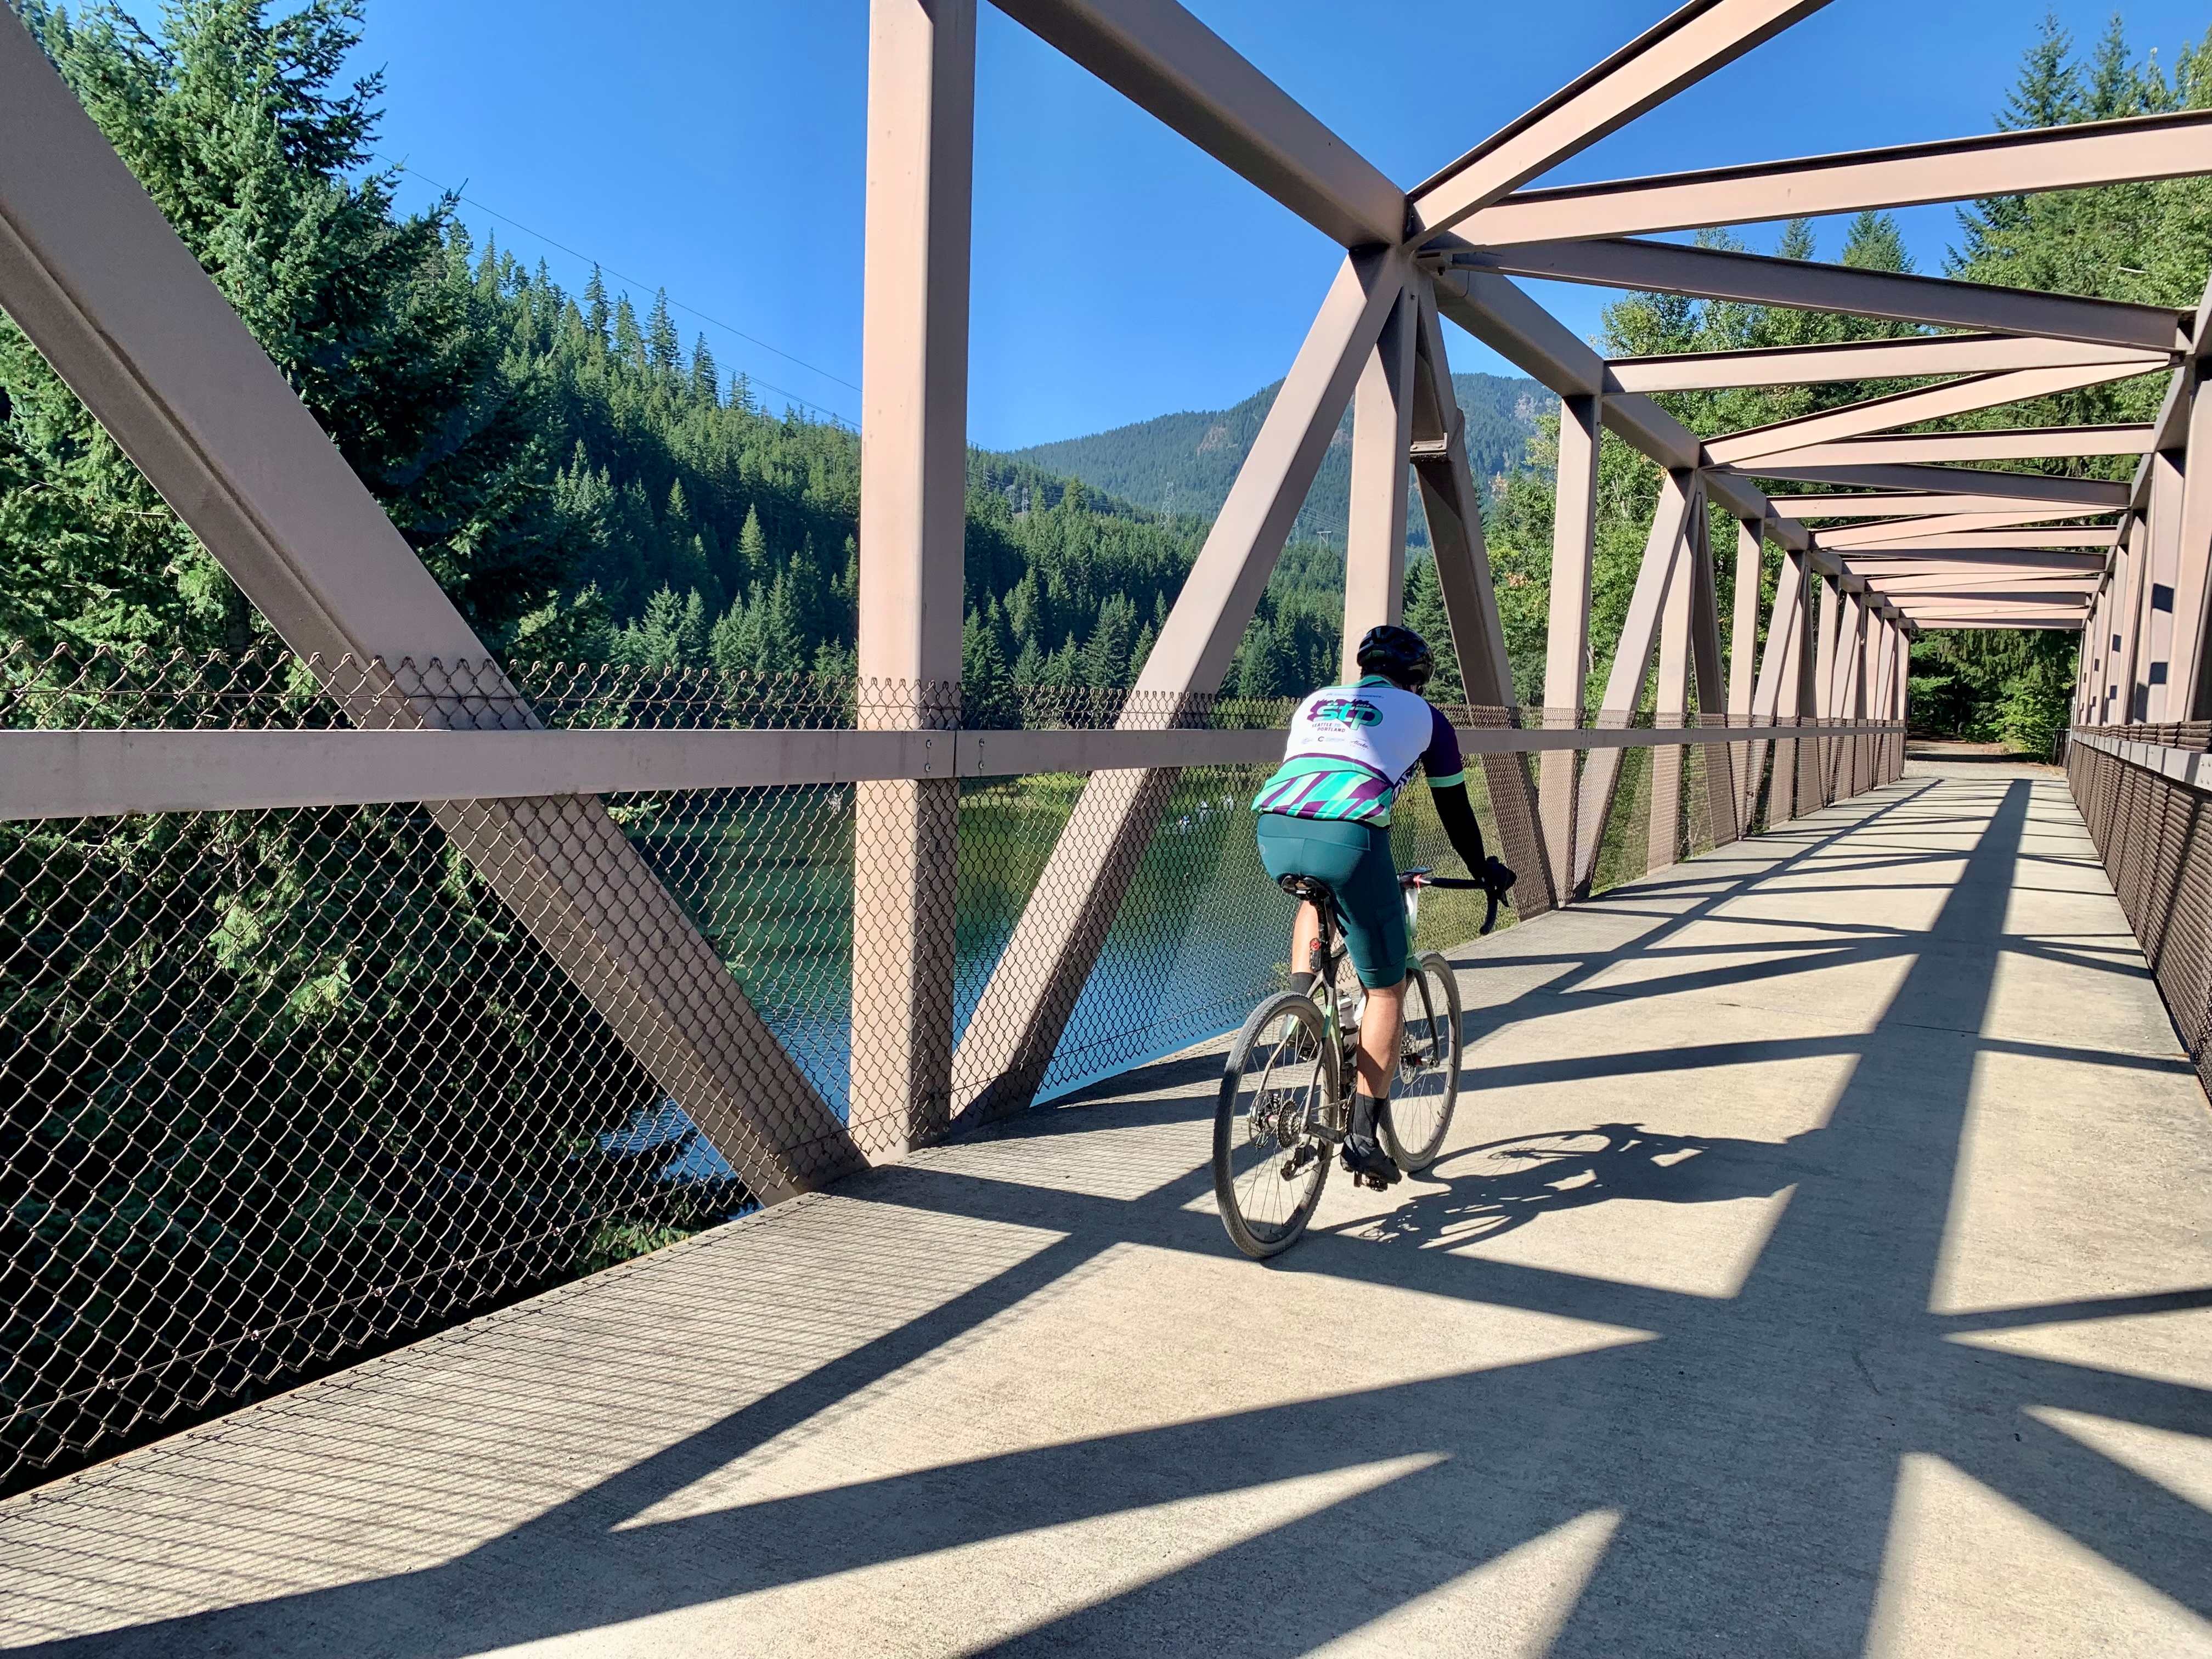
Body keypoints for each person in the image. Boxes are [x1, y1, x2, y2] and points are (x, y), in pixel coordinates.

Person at [1250, 624, 1514, 1189]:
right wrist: (1482, 868)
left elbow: (1318, 773)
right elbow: (1455, 808)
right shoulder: (1427, 718)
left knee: (1313, 892)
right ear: (1416, 680)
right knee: (1386, 988)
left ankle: (1301, 1008)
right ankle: (1365, 1138)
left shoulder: (1318, 703)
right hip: (1350, 838)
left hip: (1274, 831)